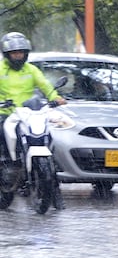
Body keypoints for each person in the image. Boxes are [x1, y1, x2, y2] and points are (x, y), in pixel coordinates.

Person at [1, 32, 68, 163]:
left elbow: (45, 85)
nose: (18, 56)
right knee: (1, 134)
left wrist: (55, 97)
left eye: (20, 52)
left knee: (48, 132)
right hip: (5, 112)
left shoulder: (31, 69)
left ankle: (53, 164)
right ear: (7, 54)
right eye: (14, 53)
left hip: (28, 113)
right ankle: (6, 163)